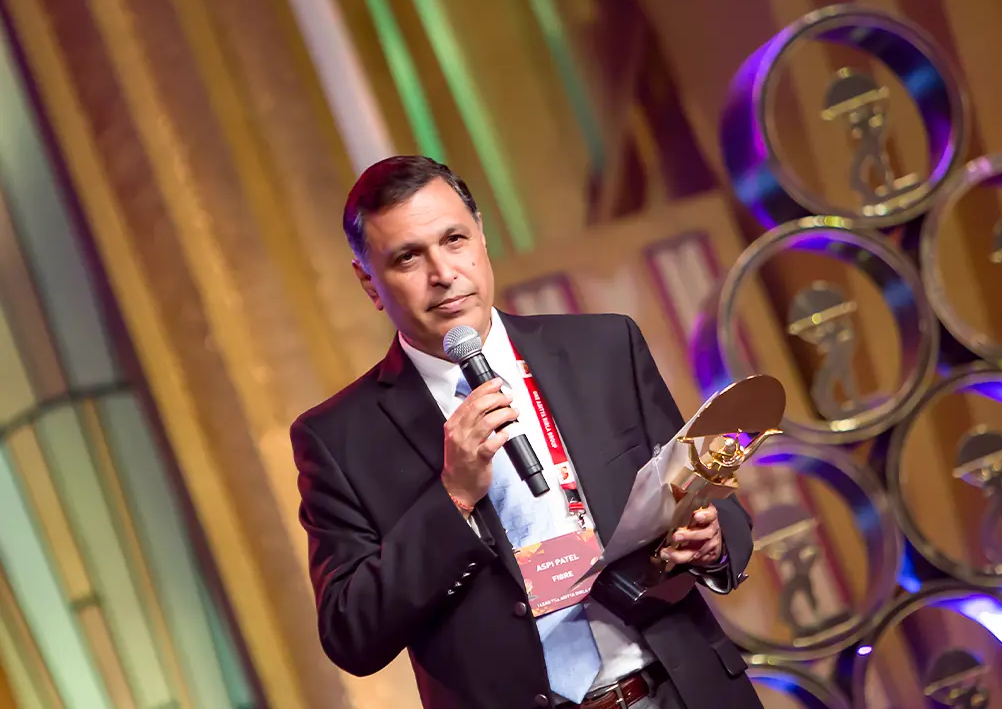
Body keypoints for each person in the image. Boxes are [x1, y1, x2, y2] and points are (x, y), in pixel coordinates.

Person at [291, 155, 763, 709]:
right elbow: (351, 633)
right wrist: (454, 496)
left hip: (680, 690)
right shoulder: (339, 438)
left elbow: (709, 498)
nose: (444, 273)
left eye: (454, 240)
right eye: (407, 258)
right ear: (369, 282)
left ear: (482, 238)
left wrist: (711, 542)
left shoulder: (603, 349)